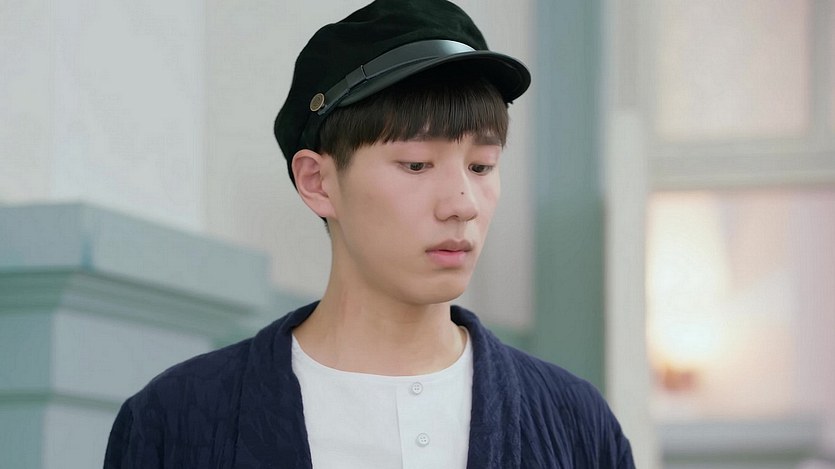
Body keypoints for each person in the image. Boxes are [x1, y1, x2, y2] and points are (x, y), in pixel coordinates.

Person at [104, 0, 635, 467]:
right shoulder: (177, 420)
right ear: (317, 182)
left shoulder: (574, 422)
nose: (462, 204)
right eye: (416, 164)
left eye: (481, 166)